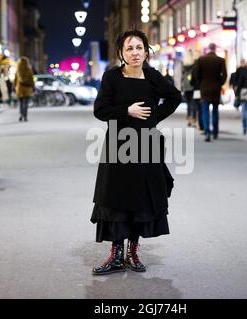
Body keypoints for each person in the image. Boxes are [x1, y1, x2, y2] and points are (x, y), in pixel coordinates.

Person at [91, 29, 181, 275]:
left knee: (141, 199)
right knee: (117, 198)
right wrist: (126, 111)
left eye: (139, 47)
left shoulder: (152, 76)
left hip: (147, 146)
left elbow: (175, 97)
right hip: (118, 147)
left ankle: (132, 252)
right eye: (129, 48)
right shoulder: (112, 77)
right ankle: (116, 255)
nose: (135, 52)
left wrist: (154, 117)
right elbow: (100, 110)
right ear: (121, 52)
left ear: (146, 51)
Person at [195, 43, 227, 142]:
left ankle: (207, 132)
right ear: (215, 49)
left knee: (205, 111)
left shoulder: (201, 60)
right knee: (215, 110)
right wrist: (219, 83)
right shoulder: (221, 60)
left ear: (208, 49)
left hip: (204, 88)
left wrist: (201, 83)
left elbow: (196, 74)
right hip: (216, 89)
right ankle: (215, 132)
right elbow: (225, 75)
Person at [14, 57, 34, 122]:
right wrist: (33, 87)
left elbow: (15, 79)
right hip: (27, 89)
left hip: (20, 89)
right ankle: (25, 116)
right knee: (25, 103)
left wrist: (13, 86)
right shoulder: (29, 69)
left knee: (21, 103)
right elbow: (31, 79)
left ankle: (21, 114)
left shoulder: (18, 70)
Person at [182, 49, 197, 127]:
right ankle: (194, 120)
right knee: (193, 104)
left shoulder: (184, 65)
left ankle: (189, 119)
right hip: (193, 87)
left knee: (188, 104)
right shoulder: (194, 65)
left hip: (186, 87)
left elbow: (183, 77)